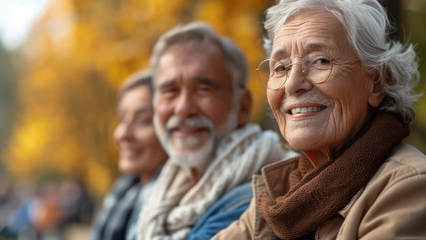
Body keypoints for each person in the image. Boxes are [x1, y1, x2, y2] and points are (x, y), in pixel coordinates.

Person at [213, 0, 426, 239]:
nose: (293, 84)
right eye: (281, 68)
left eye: (321, 61)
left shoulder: (407, 186)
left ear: (377, 82)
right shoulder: (283, 192)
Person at [136, 22, 294, 239]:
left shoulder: (259, 197)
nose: (183, 108)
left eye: (203, 90)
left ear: (242, 107)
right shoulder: (158, 195)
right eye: (170, 91)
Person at [91, 70, 168, 240]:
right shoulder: (123, 192)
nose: (122, 134)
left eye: (144, 120)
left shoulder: (182, 205)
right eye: (122, 119)